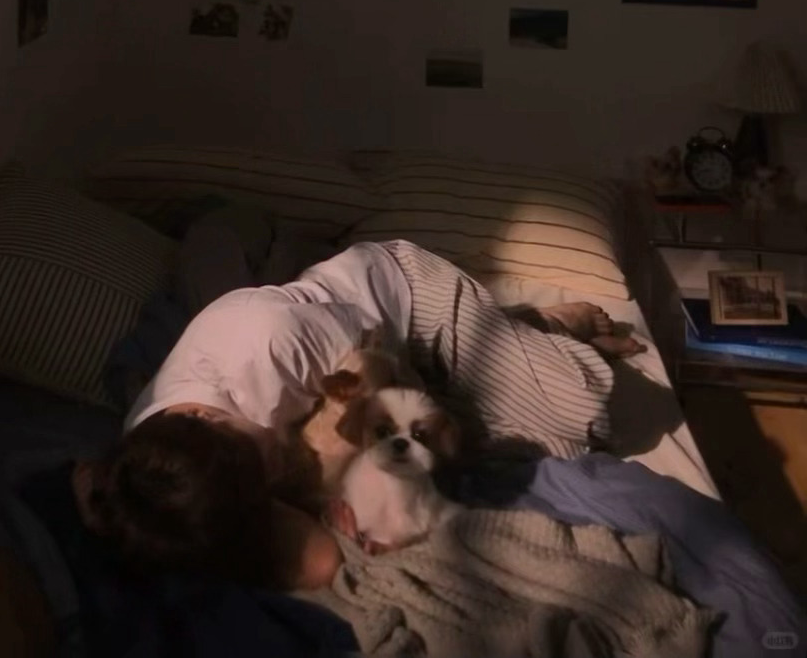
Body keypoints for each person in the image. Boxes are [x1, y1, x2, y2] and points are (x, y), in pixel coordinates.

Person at [75, 240, 643, 590]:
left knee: (583, 414)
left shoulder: (265, 342)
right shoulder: (156, 471)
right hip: (339, 381)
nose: (273, 469)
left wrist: (327, 465)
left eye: (262, 459)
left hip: (401, 310)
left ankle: (543, 324)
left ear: (211, 417)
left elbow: (381, 369)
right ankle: (515, 336)